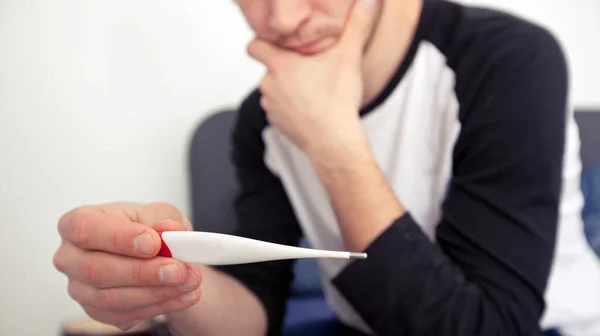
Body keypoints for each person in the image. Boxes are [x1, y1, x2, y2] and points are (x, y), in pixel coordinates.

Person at [52, 0, 600, 335]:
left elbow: (489, 328)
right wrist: (172, 284)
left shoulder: (510, 60)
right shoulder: (261, 118)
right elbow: (254, 309)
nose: (282, 19)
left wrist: (330, 140)